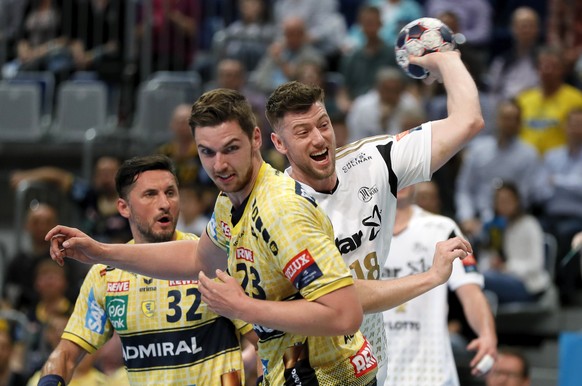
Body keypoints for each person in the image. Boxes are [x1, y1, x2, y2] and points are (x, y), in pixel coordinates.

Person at [47, 53, 476, 383]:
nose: (219, 165)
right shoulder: (229, 200)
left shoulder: (282, 210)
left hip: (333, 374)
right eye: (206, 153)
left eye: (230, 149)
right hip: (299, 366)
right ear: (278, 141)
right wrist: (101, 251)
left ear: (256, 141)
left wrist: (243, 306)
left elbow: (344, 312)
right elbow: (199, 259)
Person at [266, 50, 486, 383]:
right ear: (279, 144)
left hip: (371, 362)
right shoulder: (280, 209)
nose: (318, 137)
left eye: (323, 124)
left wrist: (446, 57)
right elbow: (344, 299)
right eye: (301, 132)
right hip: (310, 371)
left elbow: (468, 120)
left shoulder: (375, 160)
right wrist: (430, 277)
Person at [39, 154, 256, 386]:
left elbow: (266, 338)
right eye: (150, 194)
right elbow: (66, 356)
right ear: (124, 207)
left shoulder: (210, 260)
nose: (165, 203)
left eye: (170, 193)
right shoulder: (105, 275)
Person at [381, 184, 496, 386]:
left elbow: (471, 292)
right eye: (394, 171)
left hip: (430, 373)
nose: (402, 179)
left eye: (408, 171)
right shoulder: (355, 228)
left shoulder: (443, 228)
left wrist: (487, 334)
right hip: (371, 368)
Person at [455, 99, 540, 242]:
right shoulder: (477, 150)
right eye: (505, 118)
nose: (509, 123)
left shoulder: (529, 155)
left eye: (513, 119)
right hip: (476, 218)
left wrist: (502, 221)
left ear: (519, 123)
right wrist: (467, 217)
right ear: (497, 119)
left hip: (512, 222)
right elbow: (464, 189)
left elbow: (524, 196)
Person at [11, 156, 132, 244]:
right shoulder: (88, 196)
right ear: (95, 176)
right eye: (101, 173)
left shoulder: (130, 203)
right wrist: (26, 176)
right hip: (90, 259)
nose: (105, 178)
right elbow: (58, 177)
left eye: (109, 173)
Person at [532, 107, 582, 304]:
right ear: (565, 127)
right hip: (550, 213)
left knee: (566, 234)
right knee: (537, 230)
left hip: (576, 216)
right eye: (573, 124)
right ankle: (541, 287)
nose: (576, 129)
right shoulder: (553, 155)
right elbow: (540, 189)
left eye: (580, 125)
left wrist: (558, 181)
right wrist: (570, 183)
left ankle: (566, 291)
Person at [480, 181, 551, 304]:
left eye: (507, 200)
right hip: (503, 278)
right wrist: (492, 264)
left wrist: (507, 267)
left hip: (529, 284)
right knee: (475, 278)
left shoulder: (530, 224)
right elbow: (488, 256)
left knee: (481, 279)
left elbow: (536, 264)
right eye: (499, 201)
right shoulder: (497, 226)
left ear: (517, 200)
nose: (503, 204)